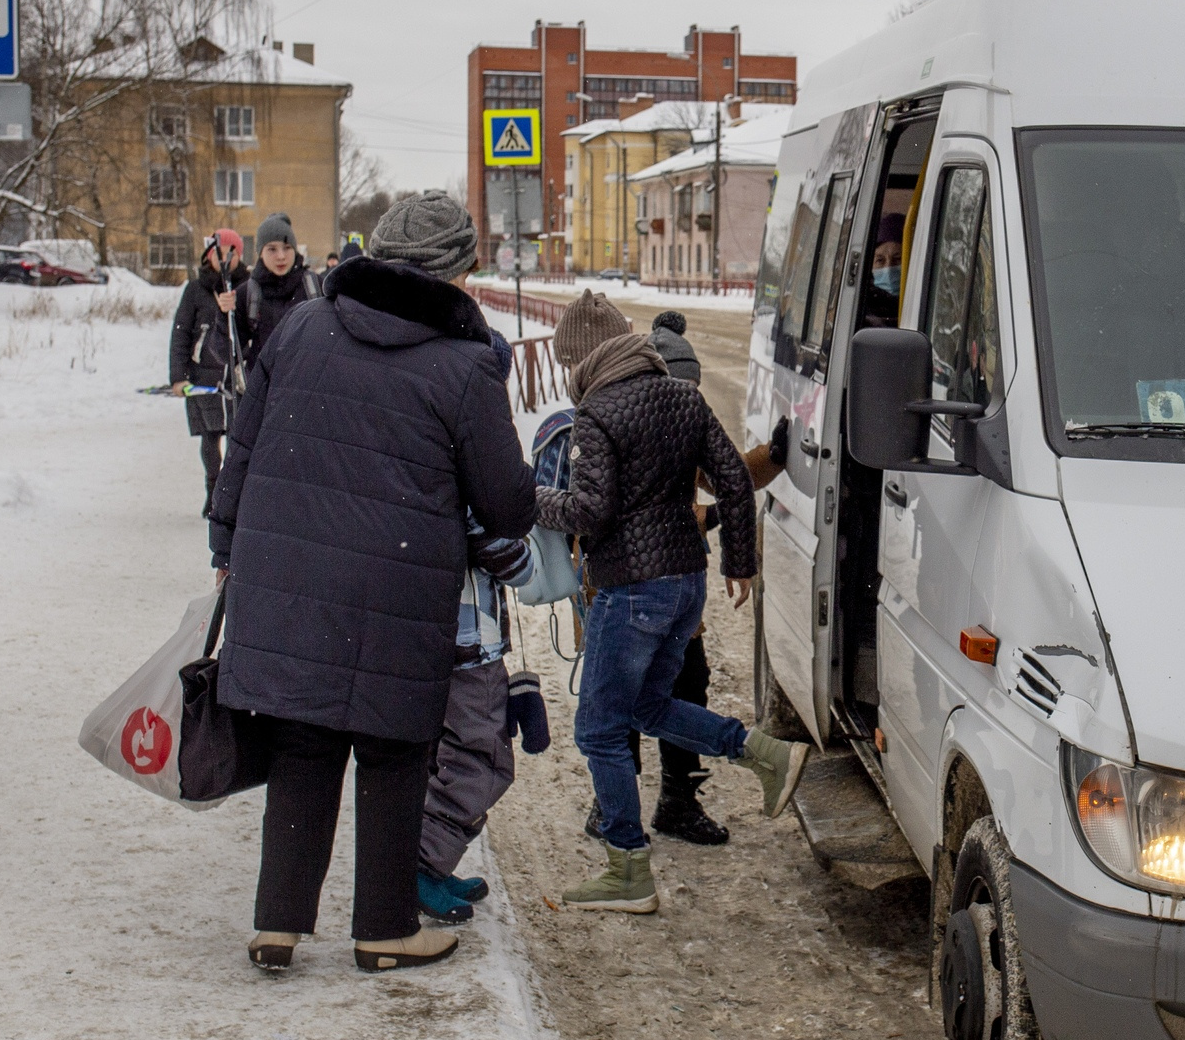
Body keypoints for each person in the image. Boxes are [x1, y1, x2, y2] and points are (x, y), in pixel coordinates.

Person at [211, 190, 535, 974]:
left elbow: (244, 444)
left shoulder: (304, 325)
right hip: (397, 588)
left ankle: (278, 923)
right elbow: (507, 504)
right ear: (456, 272)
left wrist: (226, 542)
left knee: (304, 739)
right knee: (393, 751)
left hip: (290, 575)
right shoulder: (464, 364)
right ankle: (385, 929)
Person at [538, 291, 803, 915]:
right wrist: (741, 562)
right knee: (652, 707)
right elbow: (735, 480)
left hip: (630, 591)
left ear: (581, 357)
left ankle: (627, 866)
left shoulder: (597, 414)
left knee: (599, 729)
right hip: (686, 586)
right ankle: (764, 753)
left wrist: (534, 500)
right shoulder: (684, 398)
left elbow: (589, 511)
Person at [414, 517, 551, 923]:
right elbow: (502, 550)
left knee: (436, 753)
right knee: (482, 762)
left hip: (417, 627)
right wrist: (524, 555)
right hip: (466, 634)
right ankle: (423, 867)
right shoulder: (461, 453)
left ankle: (425, 861)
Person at [169, 230, 244, 515]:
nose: (225, 258)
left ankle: (234, 492)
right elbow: (181, 333)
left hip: (238, 377)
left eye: (231, 252)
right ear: (209, 255)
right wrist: (178, 376)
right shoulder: (195, 290)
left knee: (239, 435)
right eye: (219, 252)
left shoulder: (248, 285)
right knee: (211, 435)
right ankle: (213, 489)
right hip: (203, 376)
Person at [238, 213, 321, 369]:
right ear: (260, 252)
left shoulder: (315, 286)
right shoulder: (248, 293)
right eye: (272, 249)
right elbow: (223, 352)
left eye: (287, 248)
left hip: (308, 384)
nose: (281, 256)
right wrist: (224, 316)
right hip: (262, 389)